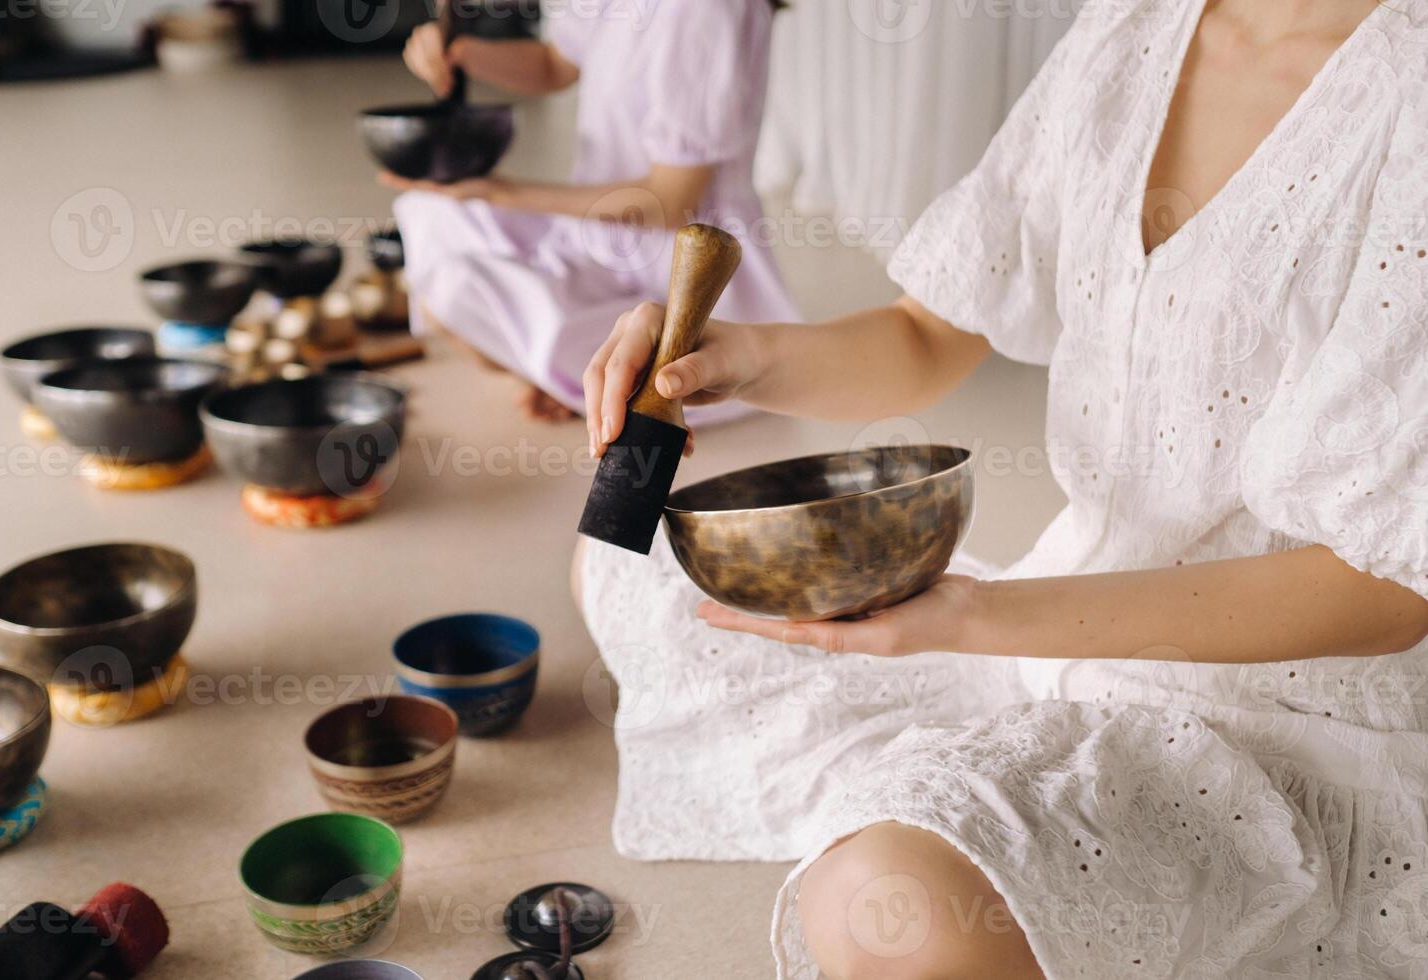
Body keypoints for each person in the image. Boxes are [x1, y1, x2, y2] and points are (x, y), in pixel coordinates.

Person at [575, 0, 1428, 976]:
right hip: (1050, 632)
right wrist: (740, 357)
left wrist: (976, 617)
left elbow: (1387, 592)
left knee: (883, 905)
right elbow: (925, 335)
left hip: (1286, 719)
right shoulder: (1131, 27)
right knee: (631, 571)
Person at [385, 0, 799, 422]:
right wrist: (461, 53)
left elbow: (671, 201)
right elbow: (554, 64)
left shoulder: (704, 12)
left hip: (685, 276)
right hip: (598, 236)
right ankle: (567, 374)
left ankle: (577, 381)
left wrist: (503, 193)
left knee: (454, 287)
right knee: (430, 212)